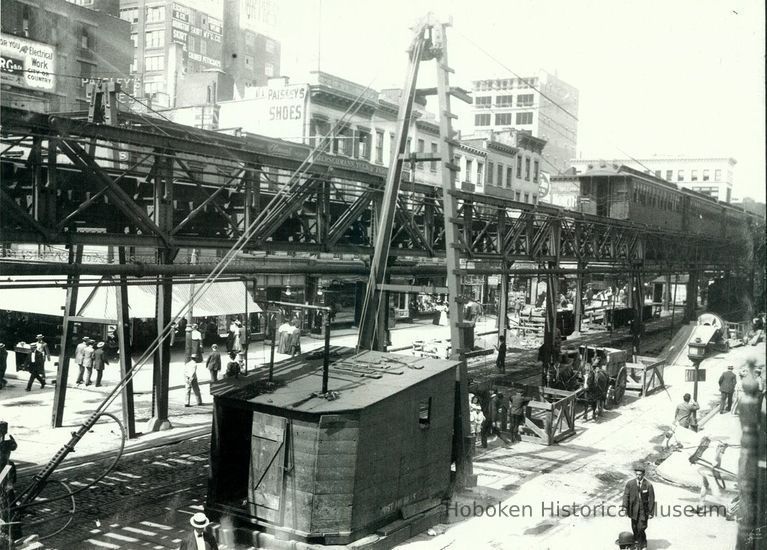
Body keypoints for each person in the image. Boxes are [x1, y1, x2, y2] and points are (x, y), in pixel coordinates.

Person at [622, 463, 655, 550]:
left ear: (643, 475)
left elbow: (651, 499)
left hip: (644, 510)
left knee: (641, 528)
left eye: (640, 475)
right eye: (637, 474)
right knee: (634, 527)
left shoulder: (648, 485)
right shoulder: (630, 483)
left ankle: (639, 546)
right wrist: (624, 506)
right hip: (633, 510)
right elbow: (626, 495)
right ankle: (642, 542)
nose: (638, 476)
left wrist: (651, 512)